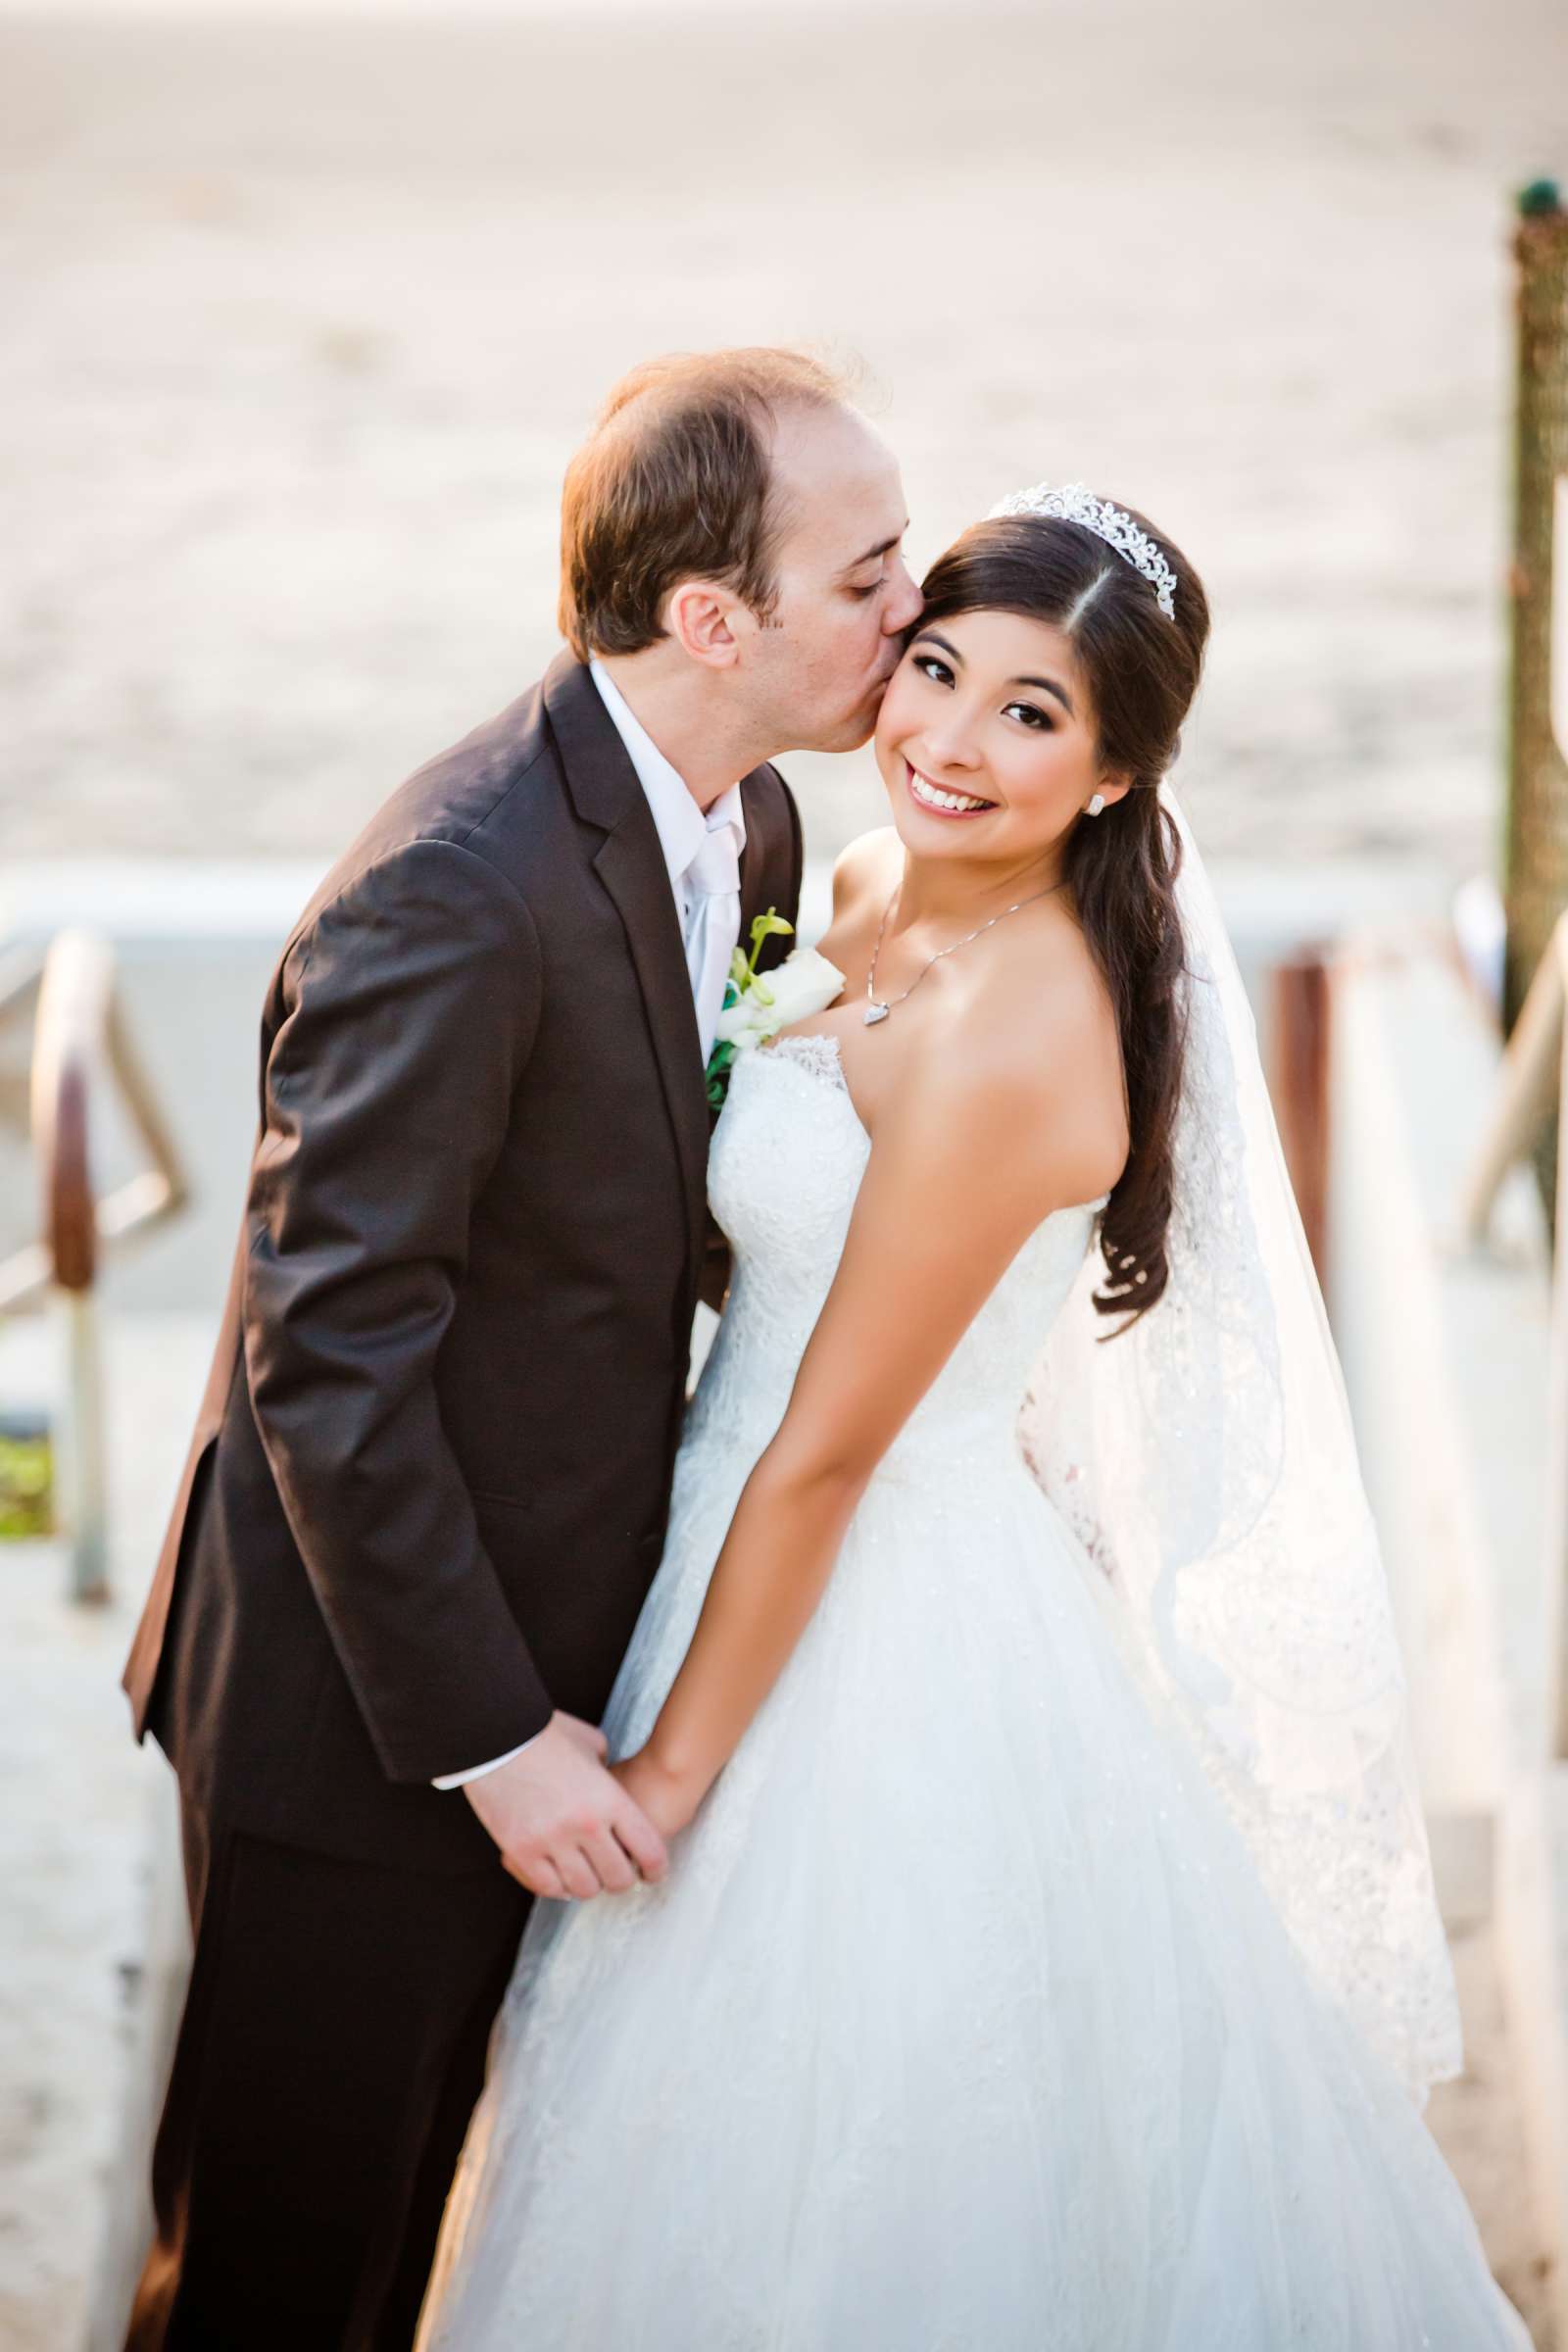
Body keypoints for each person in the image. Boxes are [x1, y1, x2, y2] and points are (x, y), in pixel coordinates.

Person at [414, 486, 1534, 2349]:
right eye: (936, 669)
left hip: (862, 1590)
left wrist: (669, 1779)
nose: (947, 740)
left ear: (1112, 781)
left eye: (1033, 712)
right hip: (732, 1521)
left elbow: (834, 1446)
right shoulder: (854, 895)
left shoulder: (1016, 1032)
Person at [118, 345, 920, 2349]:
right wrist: (491, 1739)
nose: (909, 614)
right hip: (362, 1708)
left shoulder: (739, 831)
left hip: (564, 1634)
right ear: (709, 618)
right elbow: (331, 1358)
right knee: (286, 2268)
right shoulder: (451, 891)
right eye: (869, 576)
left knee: (430, 2227)